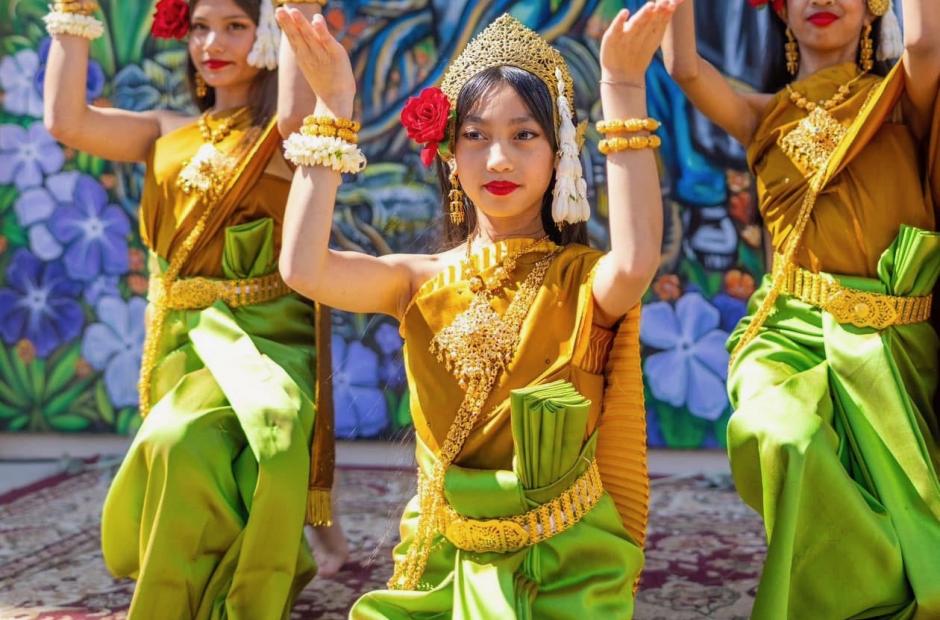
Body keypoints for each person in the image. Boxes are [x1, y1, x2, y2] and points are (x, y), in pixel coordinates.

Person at [274, 2, 679, 617]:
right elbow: (303, 269)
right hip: (444, 556)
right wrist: (332, 112)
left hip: (562, 566)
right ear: (447, 153)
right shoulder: (416, 280)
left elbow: (638, 257)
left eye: (524, 135)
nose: (498, 159)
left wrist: (622, 90)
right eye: (476, 135)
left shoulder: (587, 281)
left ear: (560, 153)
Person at [41, 0, 343, 615]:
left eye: (235, 26)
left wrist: (296, 12)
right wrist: (73, 14)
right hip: (184, 340)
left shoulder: (282, 138)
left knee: (218, 440)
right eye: (201, 27)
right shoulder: (163, 128)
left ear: (264, 35)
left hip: (268, 341)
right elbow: (67, 121)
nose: (213, 42)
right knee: (186, 448)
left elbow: (292, 115)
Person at [662, 0, 940, 617]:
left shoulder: (904, 98)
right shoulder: (761, 114)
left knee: (918, 549)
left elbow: (924, 42)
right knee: (781, 433)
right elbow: (683, 65)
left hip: (890, 346)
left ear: (874, 8)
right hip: (786, 329)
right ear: (781, 13)